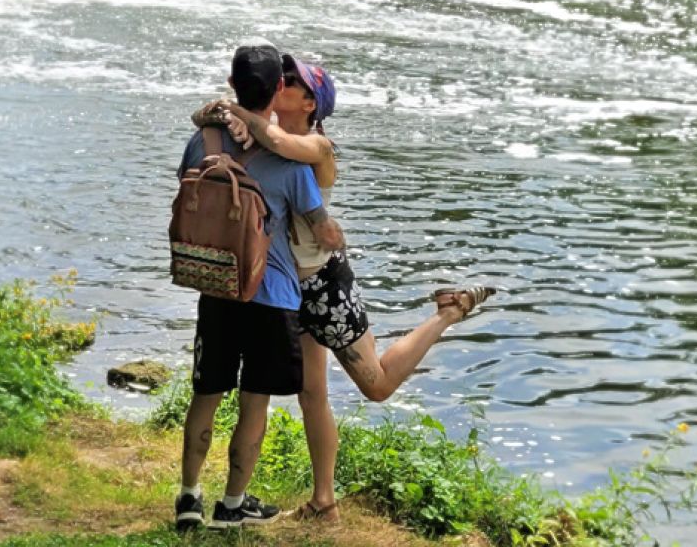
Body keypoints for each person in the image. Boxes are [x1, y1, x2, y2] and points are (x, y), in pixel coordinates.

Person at [198, 53, 492, 524]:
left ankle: (449, 311)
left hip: (324, 284)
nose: (280, 84)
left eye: (290, 81)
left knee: (375, 385)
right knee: (311, 395)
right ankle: (324, 503)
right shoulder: (258, 135)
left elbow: (273, 138)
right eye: (280, 78)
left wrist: (235, 109)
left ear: (310, 102)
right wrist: (222, 112)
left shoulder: (319, 147)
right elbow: (222, 127)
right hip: (283, 288)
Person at [175, 45, 345, 531]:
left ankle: (189, 497)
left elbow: (188, 190)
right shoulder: (290, 165)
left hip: (217, 284)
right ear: (274, 93)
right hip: (272, 296)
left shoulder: (203, 139)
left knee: (205, 395)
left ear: (231, 85)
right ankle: (233, 503)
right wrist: (334, 235)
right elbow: (318, 226)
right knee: (255, 402)